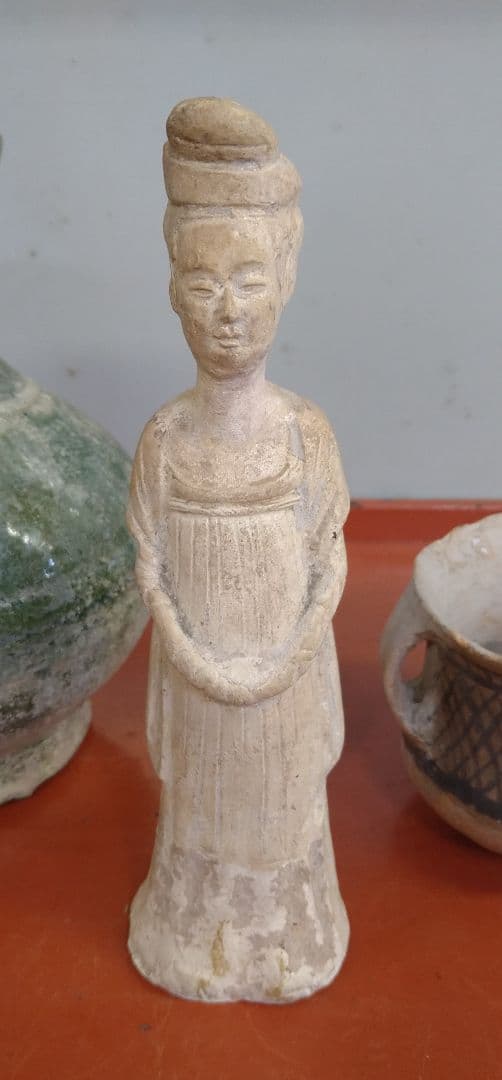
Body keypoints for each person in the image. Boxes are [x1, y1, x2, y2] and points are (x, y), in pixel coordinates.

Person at [127, 98, 350, 1002]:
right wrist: (199, 662)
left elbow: (330, 559)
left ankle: (292, 934)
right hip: (201, 691)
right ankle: (194, 934)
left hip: (283, 693)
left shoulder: (304, 433)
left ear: (286, 280)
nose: (228, 313)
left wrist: (284, 662)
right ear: (173, 289)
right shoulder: (164, 441)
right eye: (204, 284)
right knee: (201, 826)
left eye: (250, 281)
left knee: (284, 816)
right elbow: (151, 569)